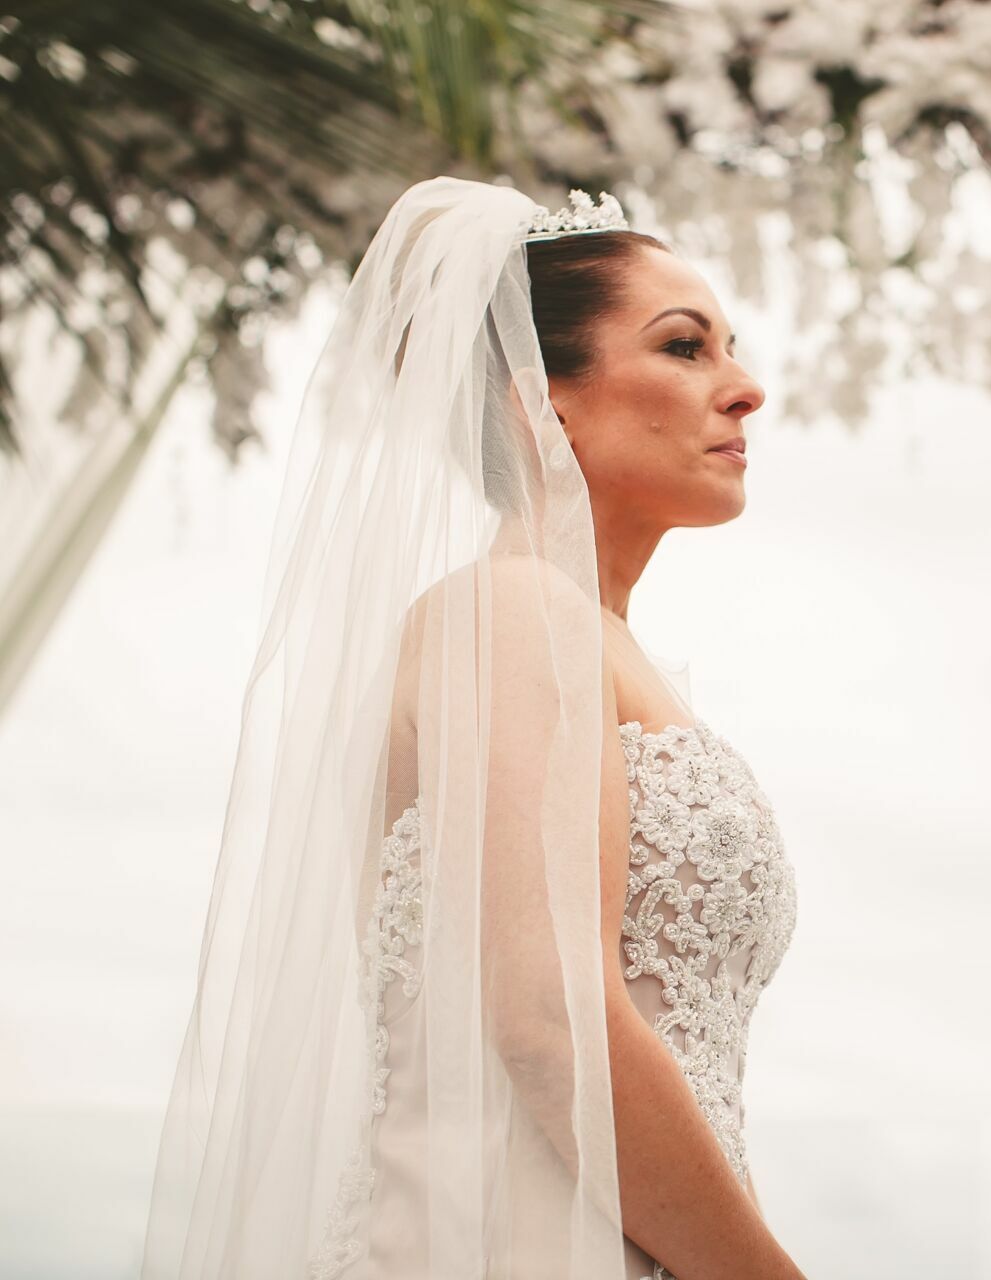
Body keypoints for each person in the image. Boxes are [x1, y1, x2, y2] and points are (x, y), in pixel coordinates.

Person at [142, 178, 804, 1279]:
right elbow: (550, 1018)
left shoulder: (602, 648)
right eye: (686, 347)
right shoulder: (509, 612)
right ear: (535, 399)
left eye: (730, 348)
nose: (747, 390)